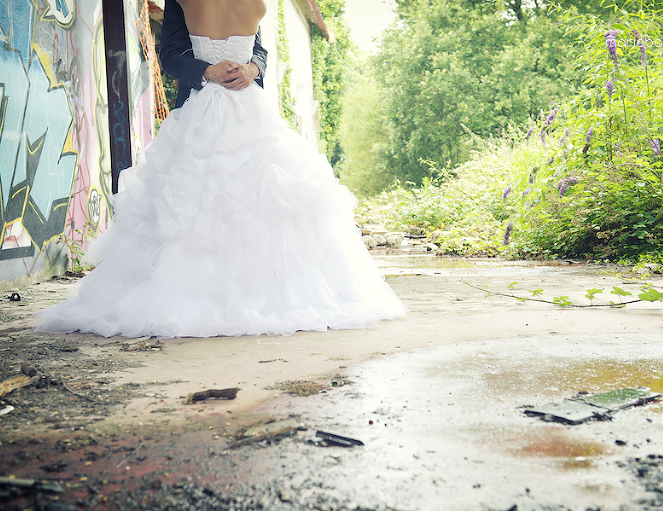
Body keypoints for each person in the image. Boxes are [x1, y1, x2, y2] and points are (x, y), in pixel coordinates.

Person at [34, 0, 407, 338]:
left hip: (232, 108)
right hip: (221, 109)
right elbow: (200, 51)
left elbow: (223, 51)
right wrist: (213, 69)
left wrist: (251, 67)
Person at [159, 0, 267, 108]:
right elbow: (169, 55)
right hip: (195, 103)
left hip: (247, 101)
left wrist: (253, 69)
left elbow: (257, 48)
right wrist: (207, 71)